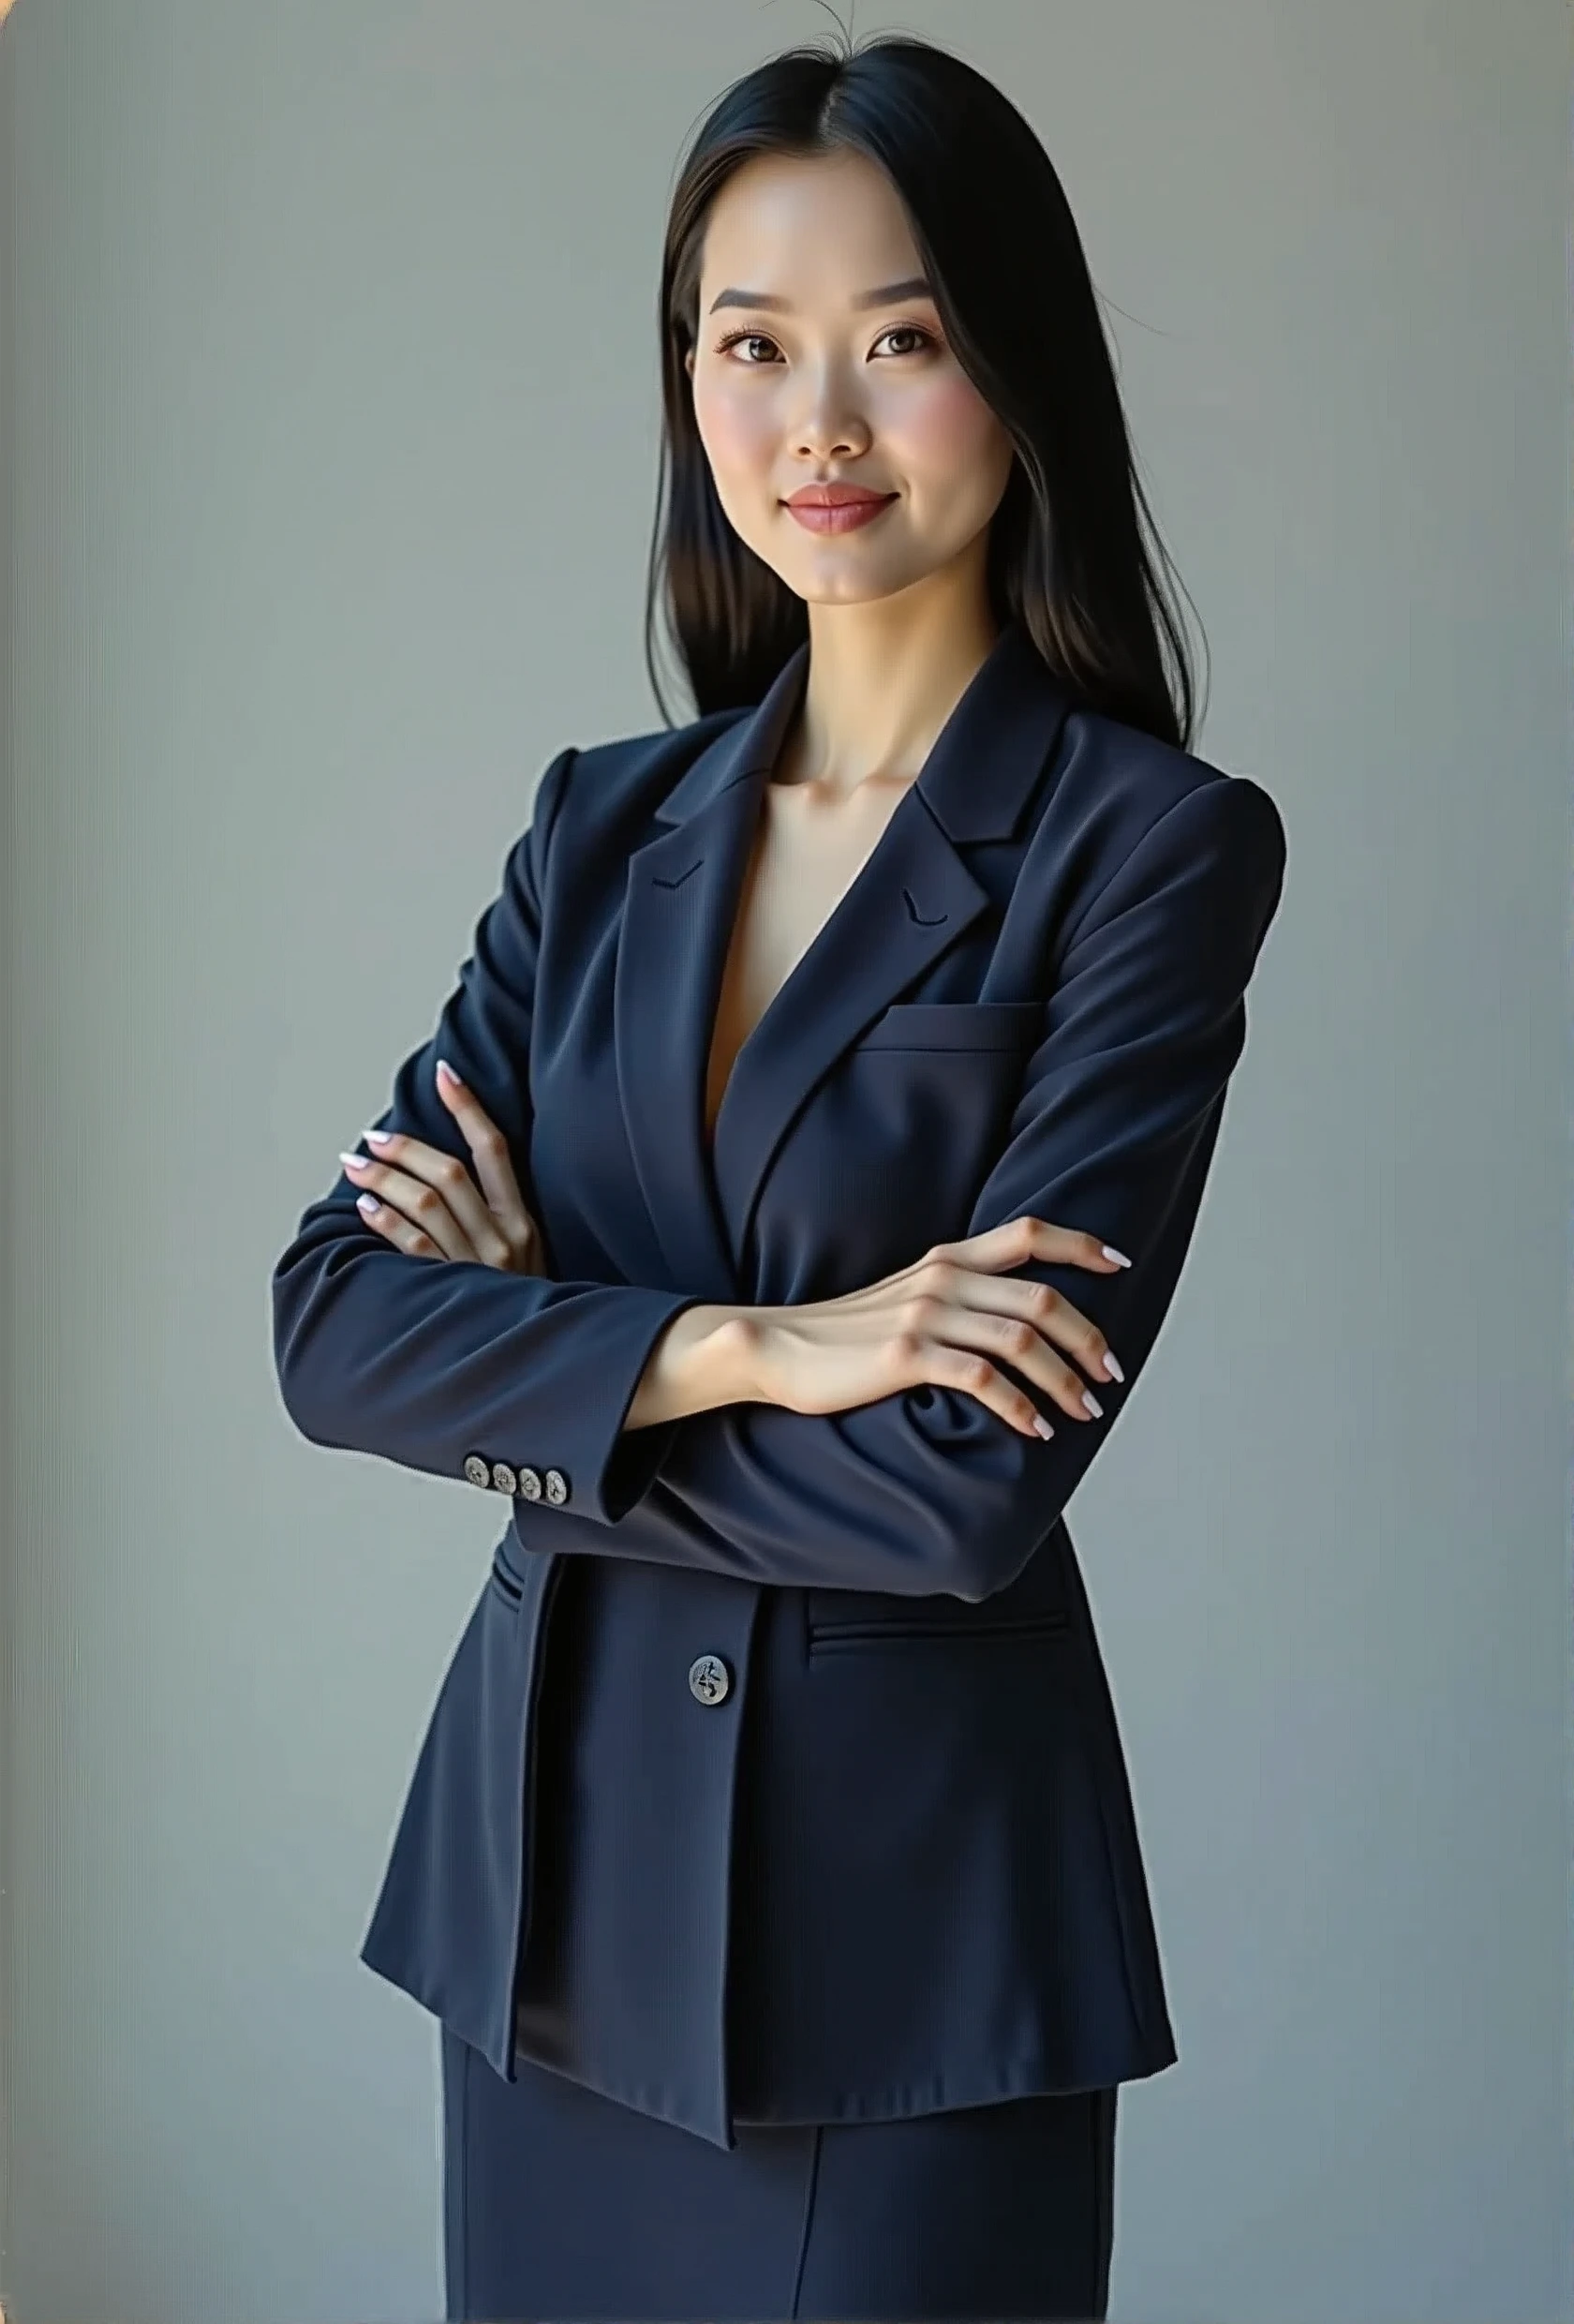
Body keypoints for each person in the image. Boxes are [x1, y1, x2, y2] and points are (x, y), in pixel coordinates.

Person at [272, 26, 1286, 2322]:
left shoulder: (1148, 852)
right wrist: (759, 1342)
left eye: (902, 343)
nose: (816, 426)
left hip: (905, 1950)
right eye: (753, 346)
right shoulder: (598, 824)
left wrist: (541, 1392)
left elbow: (957, 1491)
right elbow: (331, 1323)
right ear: (690, 381)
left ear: (1017, 371)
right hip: (544, 1917)